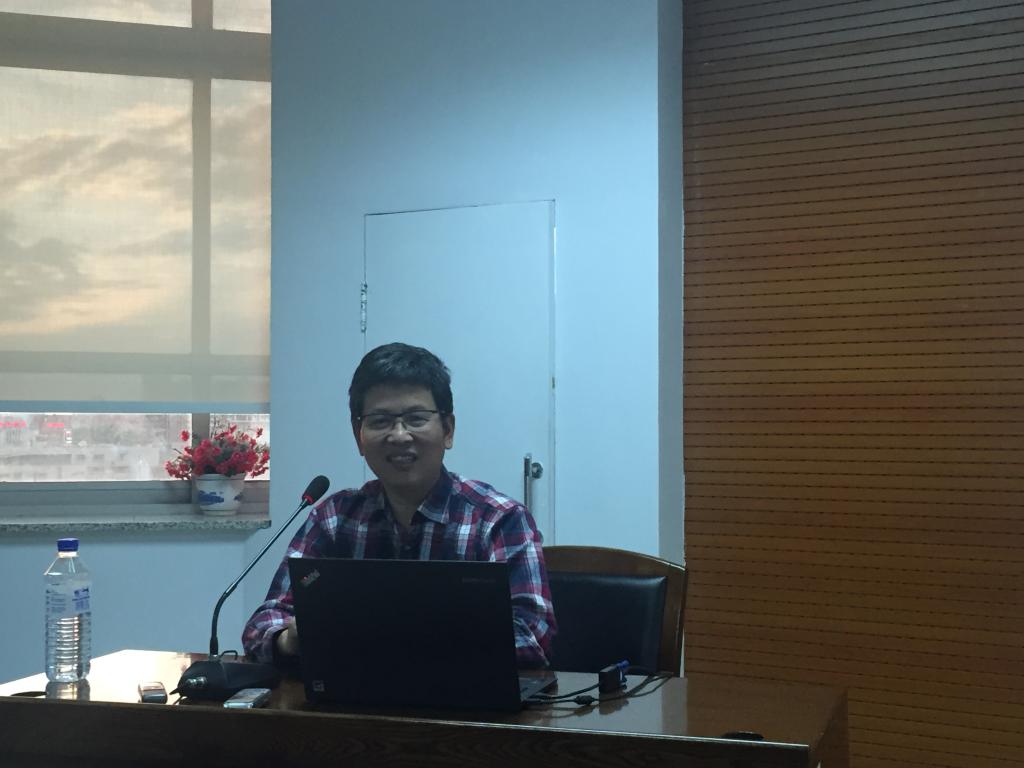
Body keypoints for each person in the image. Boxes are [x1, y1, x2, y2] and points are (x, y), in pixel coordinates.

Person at [242, 342, 556, 668]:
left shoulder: (498, 520)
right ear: (358, 436)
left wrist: (395, 638)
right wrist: (289, 639)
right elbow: (264, 622)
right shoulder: (334, 519)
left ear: (448, 430)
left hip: (467, 697)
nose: (400, 435)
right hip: (353, 696)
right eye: (380, 421)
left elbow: (533, 637)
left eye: (416, 419)